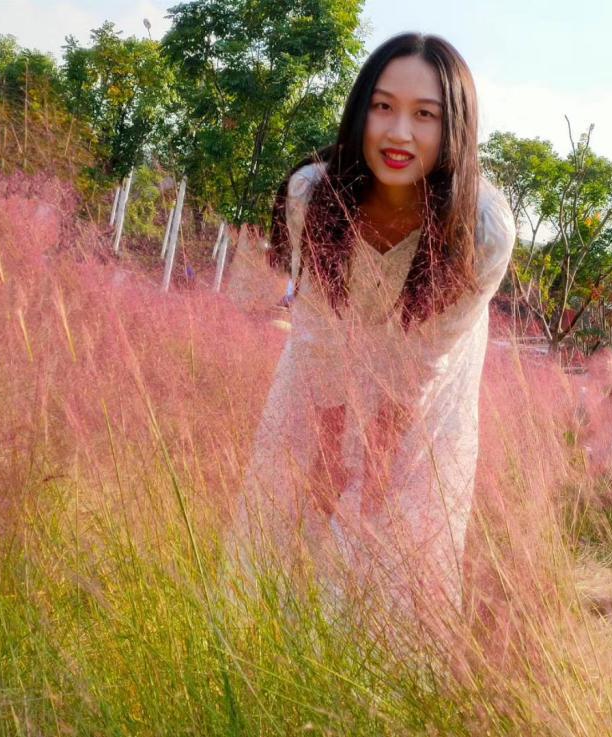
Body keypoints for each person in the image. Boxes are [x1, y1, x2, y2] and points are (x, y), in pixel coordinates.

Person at [236, 32, 516, 616]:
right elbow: (316, 331)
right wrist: (329, 444)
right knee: (289, 526)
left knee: (386, 549)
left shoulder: (482, 231)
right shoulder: (314, 196)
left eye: (425, 115)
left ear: (455, 127)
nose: (398, 133)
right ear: (361, 109)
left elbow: (424, 360)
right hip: (323, 367)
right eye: (383, 106)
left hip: (426, 393)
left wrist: (377, 457)